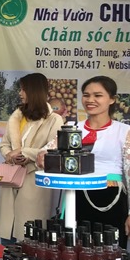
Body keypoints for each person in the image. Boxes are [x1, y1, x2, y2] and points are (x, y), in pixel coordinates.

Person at [38, 75, 130, 249]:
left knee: (110, 253)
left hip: (111, 198)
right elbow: (45, 153)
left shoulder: (124, 131)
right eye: (86, 95)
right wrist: (45, 158)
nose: (90, 100)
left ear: (112, 99)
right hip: (76, 197)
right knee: (76, 250)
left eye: (98, 95)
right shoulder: (72, 129)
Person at [0, 73, 63, 260]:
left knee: (30, 231)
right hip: (12, 178)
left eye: (23, 89)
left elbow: (53, 149)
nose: (20, 93)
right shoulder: (16, 117)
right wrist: (9, 154)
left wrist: (25, 153)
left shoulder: (54, 120)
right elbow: (4, 144)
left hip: (34, 181)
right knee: (8, 229)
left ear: (33, 91)